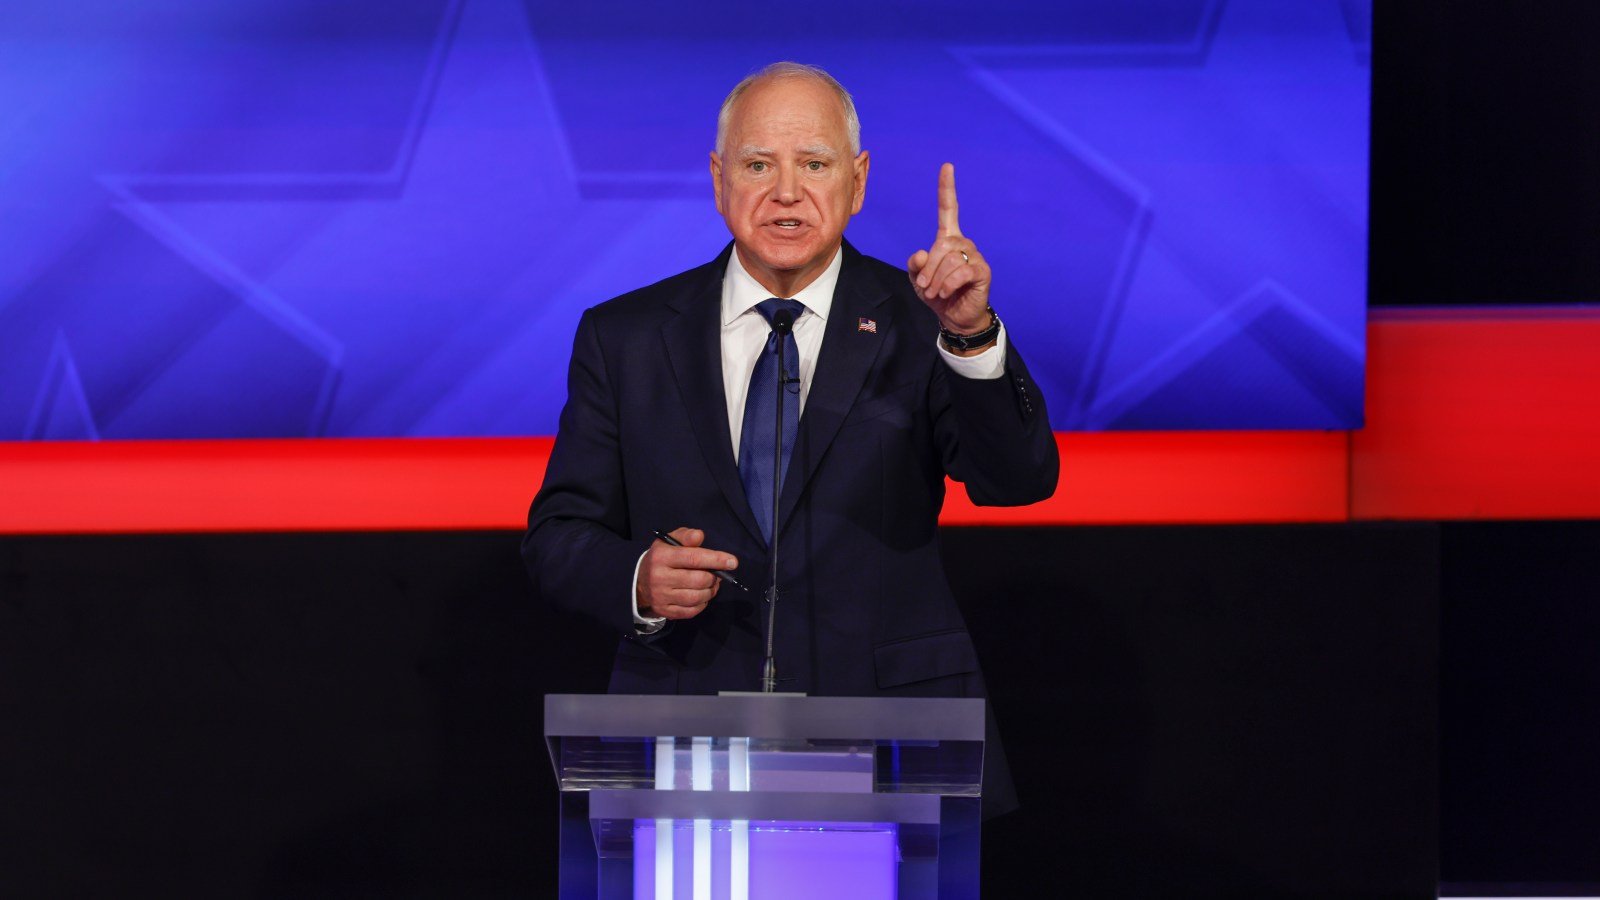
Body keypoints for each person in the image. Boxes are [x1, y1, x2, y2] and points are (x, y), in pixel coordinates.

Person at [522, 61, 1056, 711]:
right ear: (719, 181)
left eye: (814, 163)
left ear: (857, 182)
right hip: (688, 718)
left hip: (889, 725)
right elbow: (561, 534)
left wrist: (970, 336)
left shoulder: (925, 323)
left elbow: (1017, 481)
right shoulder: (625, 338)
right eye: (756, 166)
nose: (785, 192)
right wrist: (639, 579)